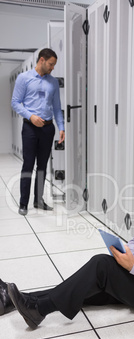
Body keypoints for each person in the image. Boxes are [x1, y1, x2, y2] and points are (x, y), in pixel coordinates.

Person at [0, 163, 134, 329]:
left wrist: (133, 267)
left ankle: (38, 311)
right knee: (82, 287)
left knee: (100, 265)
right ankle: (16, 301)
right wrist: (127, 253)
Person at [11, 48, 65, 216]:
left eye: (54, 65)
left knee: (42, 166)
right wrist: (31, 116)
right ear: (42, 60)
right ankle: (23, 203)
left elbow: (56, 107)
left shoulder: (53, 82)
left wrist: (61, 127)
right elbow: (15, 102)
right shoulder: (24, 78)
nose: (52, 68)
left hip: (48, 129)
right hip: (30, 127)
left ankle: (38, 200)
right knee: (28, 165)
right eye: (51, 64)